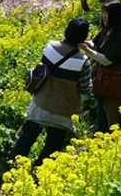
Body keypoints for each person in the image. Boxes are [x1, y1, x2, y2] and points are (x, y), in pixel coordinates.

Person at [10, 17, 92, 166]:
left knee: (27, 137)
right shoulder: (83, 62)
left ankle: (12, 167)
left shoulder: (50, 47)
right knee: (53, 144)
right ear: (84, 38)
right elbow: (86, 88)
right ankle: (40, 169)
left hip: (40, 103)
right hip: (64, 110)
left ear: (67, 30)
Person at [79, 0, 121, 132]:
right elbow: (95, 44)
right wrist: (84, 43)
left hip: (115, 82)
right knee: (102, 111)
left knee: (112, 115)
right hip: (103, 80)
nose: (104, 16)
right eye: (103, 13)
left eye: (107, 14)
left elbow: (106, 60)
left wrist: (87, 50)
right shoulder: (107, 31)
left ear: (115, 16)